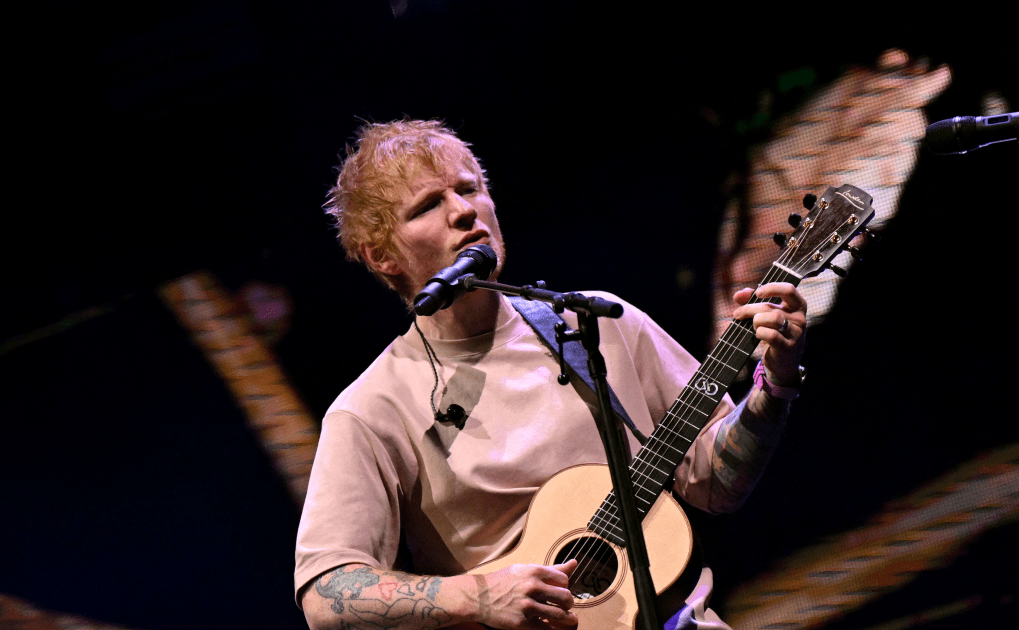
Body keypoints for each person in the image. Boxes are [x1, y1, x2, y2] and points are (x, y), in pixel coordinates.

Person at [295, 120, 807, 630]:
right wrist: (474, 597)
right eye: (428, 205)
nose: (464, 210)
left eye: (470, 188)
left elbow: (718, 482)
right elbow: (326, 594)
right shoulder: (372, 407)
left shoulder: (597, 323)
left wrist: (775, 384)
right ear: (382, 256)